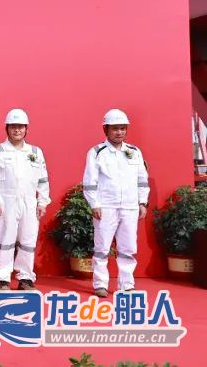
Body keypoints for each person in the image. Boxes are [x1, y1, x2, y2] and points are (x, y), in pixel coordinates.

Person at [0, 108, 51, 291]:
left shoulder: (35, 152)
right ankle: (2, 279)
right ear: (7, 128)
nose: (17, 130)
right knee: (5, 239)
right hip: (6, 202)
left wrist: (42, 202)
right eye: (13, 126)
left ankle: (25, 278)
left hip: (29, 202)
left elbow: (43, 180)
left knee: (28, 241)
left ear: (26, 129)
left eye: (20, 127)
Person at [83, 108, 149, 298]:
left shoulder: (134, 152)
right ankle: (100, 284)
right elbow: (90, 181)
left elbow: (142, 179)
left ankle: (127, 284)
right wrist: (94, 204)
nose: (119, 132)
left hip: (129, 206)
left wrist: (142, 202)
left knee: (128, 248)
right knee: (102, 248)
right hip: (106, 207)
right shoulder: (97, 152)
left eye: (122, 128)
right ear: (106, 130)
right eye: (115, 128)